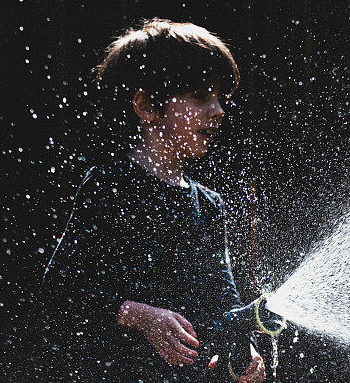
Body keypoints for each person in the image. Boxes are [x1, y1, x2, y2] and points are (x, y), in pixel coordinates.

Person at [36, 19, 265, 382]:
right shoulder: (109, 187)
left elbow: (222, 296)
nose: (218, 110)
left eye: (220, 97)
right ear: (144, 106)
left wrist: (243, 346)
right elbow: (60, 288)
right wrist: (139, 315)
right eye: (200, 96)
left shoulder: (208, 205)